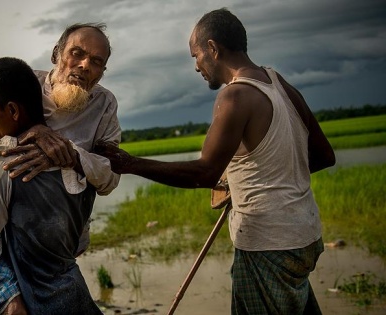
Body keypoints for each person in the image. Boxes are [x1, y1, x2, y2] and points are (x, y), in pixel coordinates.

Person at [96, 8, 336, 315]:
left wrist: (129, 163)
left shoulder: (234, 96)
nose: (197, 67)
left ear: (212, 48)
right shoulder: (278, 82)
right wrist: (245, 180)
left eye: (195, 56)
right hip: (305, 236)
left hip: (267, 243)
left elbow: (204, 173)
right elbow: (323, 156)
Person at [0, 23, 120, 314]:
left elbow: (109, 177)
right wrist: (29, 135)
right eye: (77, 53)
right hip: (11, 227)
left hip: (62, 241)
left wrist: (69, 155)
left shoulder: (104, 104)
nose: (85, 65)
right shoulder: (20, 87)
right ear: (56, 54)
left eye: (97, 62)